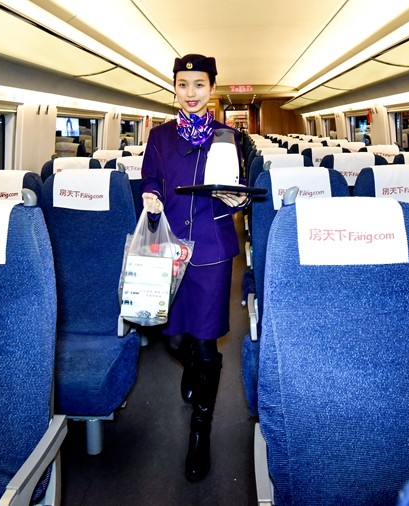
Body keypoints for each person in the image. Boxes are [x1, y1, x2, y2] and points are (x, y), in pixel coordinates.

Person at [140, 53, 248, 482]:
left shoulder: (229, 137)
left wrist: (237, 201)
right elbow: (151, 177)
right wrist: (151, 194)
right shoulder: (159, 136)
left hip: (211, 250)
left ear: (212, 89)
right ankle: (191, 366)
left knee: (206, 345)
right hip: (168, 245)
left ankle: (200, 432)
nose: (190, 93)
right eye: (183, 84)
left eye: (199, 84)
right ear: (174, 88)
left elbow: (236, 186)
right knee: (171, 336)